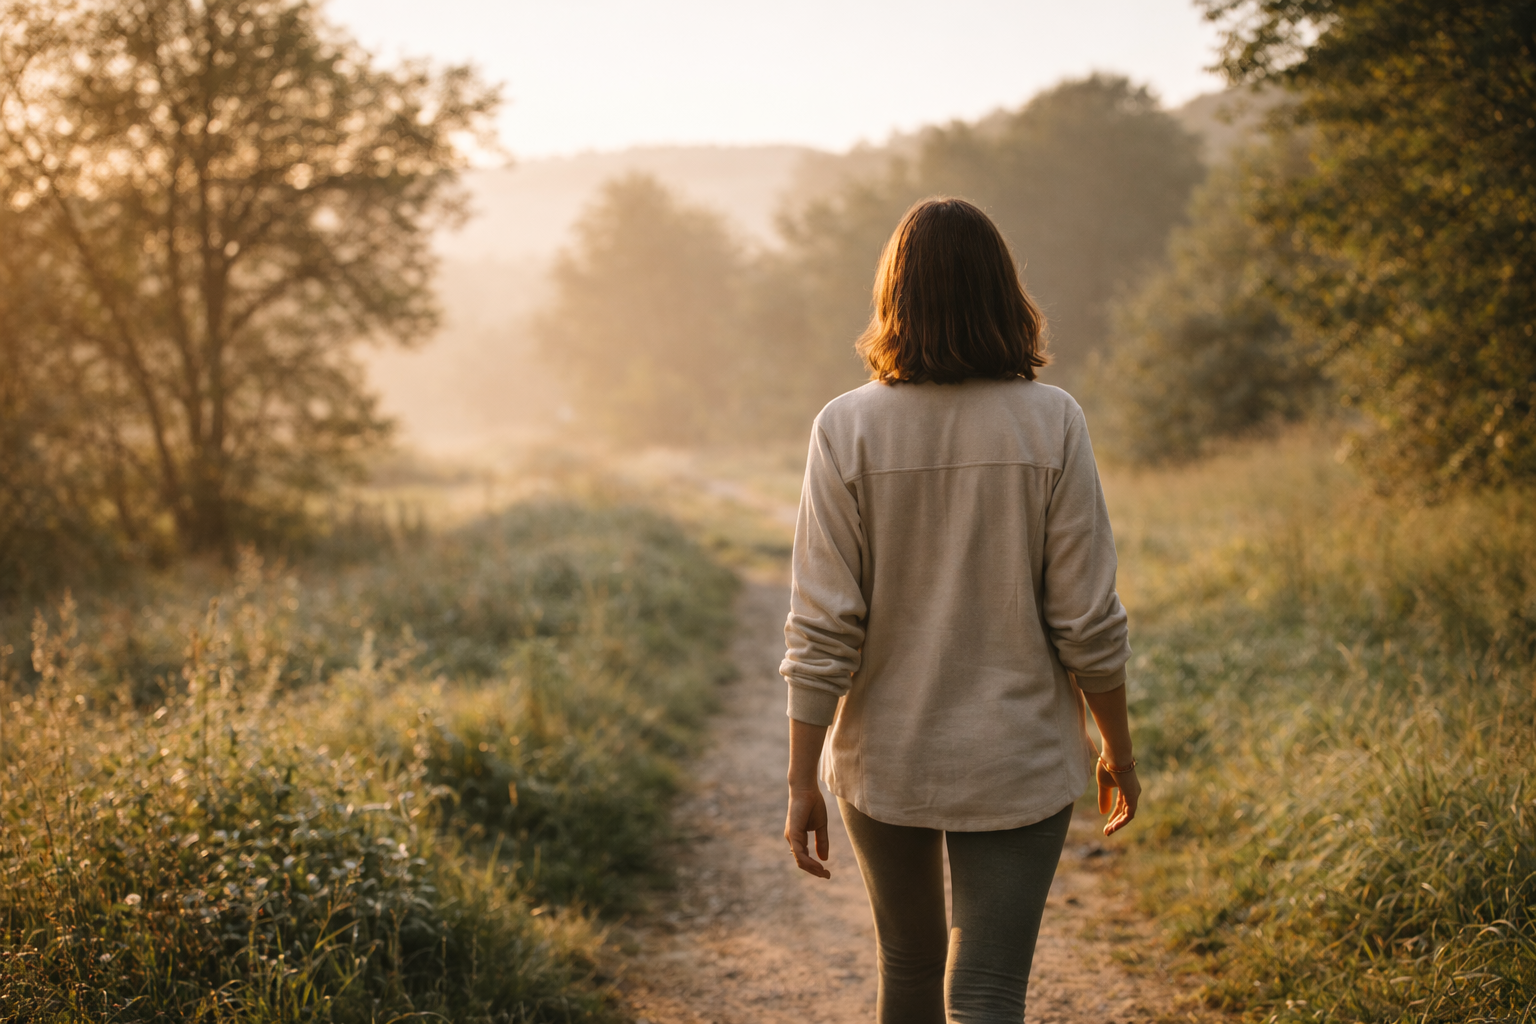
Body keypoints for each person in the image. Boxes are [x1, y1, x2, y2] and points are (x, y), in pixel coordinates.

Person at [780, 196, 1141, 1024]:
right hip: (1018, 757)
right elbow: (1086, 615)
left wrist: (803, 777)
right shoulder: (1052, 421)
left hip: (885, 759)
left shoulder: (846, 428)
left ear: (892, 297)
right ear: (1001, 293)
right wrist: (1116, 745)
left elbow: (822, 625)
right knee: (987, 990)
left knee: (906, 969)